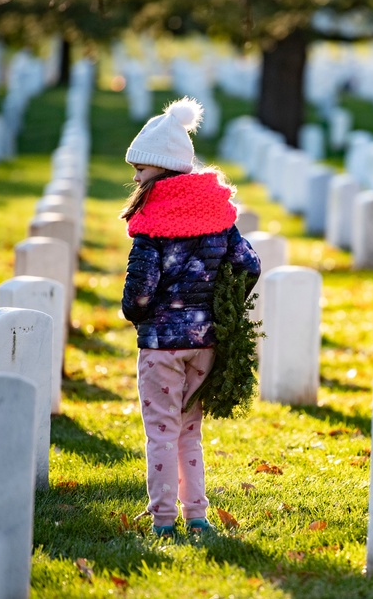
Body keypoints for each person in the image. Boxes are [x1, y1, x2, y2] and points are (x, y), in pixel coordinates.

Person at [119, 97, 260, 538]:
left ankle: (163, 518)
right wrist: (222, 305)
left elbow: (139, 294)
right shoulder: (217, 214)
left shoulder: (151, 220)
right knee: (188, 431)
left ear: (160, 168)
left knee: (160, 431)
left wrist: (135, 313)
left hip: (162, 344)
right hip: (206, 341)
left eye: (140, 169)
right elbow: (248, 264)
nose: (136, 178)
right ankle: (196, 515)